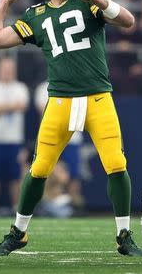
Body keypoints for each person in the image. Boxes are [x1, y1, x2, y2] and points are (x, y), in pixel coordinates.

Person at [0, 0, 142, 257]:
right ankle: (18, 232)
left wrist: (97, 0)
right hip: (60, 100)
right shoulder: (35, 15)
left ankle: (124, 235)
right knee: (39, 168)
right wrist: (4, 4)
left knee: (116, 164)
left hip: (98, 96)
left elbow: (128, 21)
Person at [0, 56, 29, 216]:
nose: (7, 72)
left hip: (13, 141)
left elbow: (21, 105)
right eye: (4, 69)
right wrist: (10, 107)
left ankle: (16, 208)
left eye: (10, 69)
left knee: (15, 177)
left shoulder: (20, 87)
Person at [35, 81, 85, 213]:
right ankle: (46, 205)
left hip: (73, 137)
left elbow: (80, 113)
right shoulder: (43, 88)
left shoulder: (78, 86)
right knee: (45, 172)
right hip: (51, 138)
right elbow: (45, 111)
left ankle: (73, 207)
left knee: (74, 175)